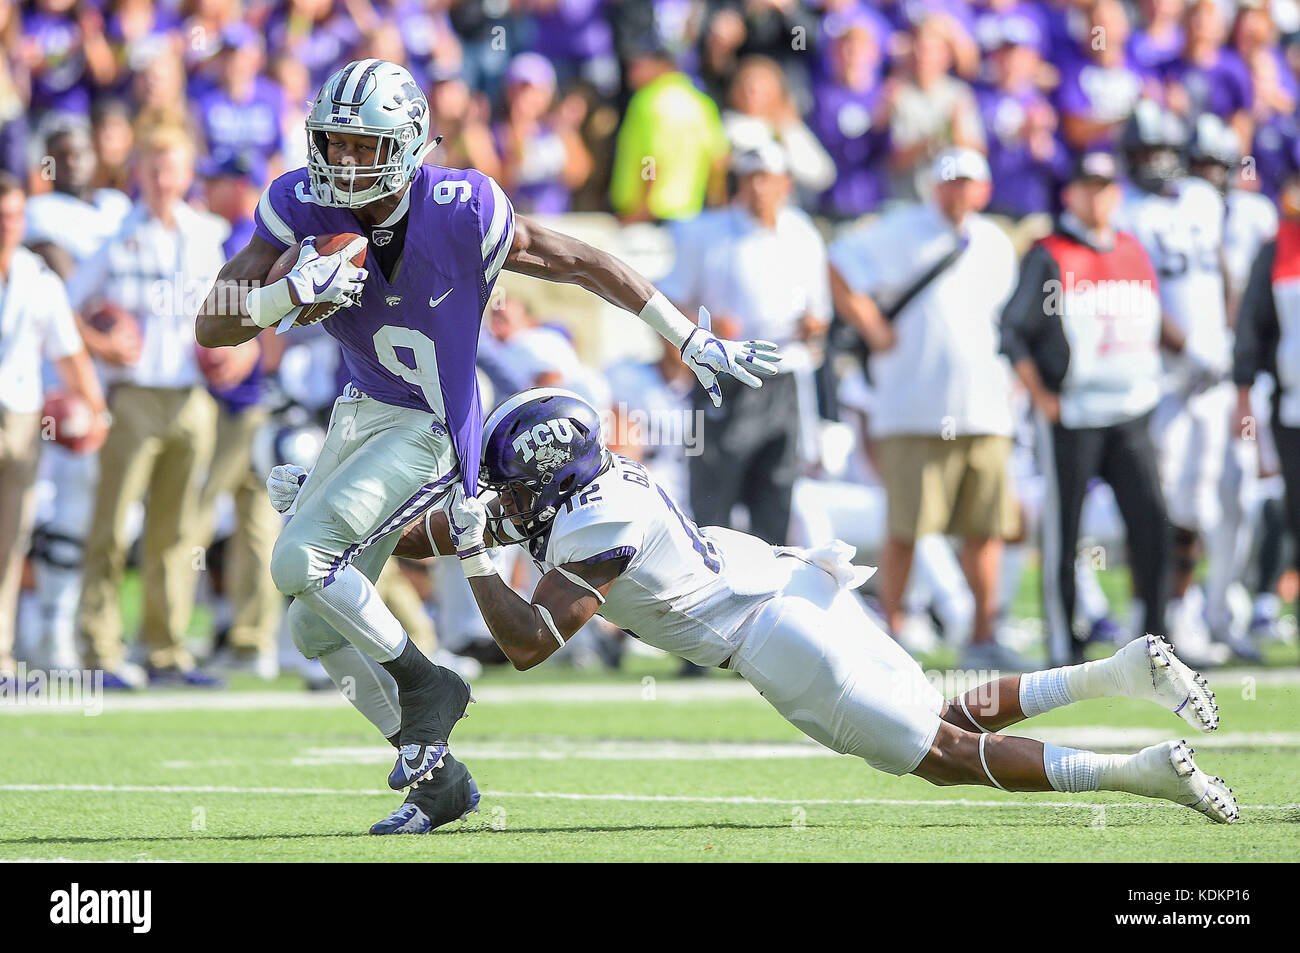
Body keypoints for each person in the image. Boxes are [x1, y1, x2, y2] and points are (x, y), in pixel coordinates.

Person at [196, 58, 781, 813]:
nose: (343, 162)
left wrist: (687, 334)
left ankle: (427, 681)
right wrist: (282, 294)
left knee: (296, 558)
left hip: (433, 424)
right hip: (360, 411)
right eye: (334, 143)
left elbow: (582, 261)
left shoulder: (460, 207)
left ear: (409, 145)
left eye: (362, 146)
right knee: (315, 623)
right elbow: (213, 320)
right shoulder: (299, 205)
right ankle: (437, 778)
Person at [268, 388, 1237, 832]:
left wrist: (479, 548)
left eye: (511, 490)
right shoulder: (574, 498)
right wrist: (334, 518)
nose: (504, 503)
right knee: (942, 713)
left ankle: (1138, 770)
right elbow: (439, 533)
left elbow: (524, 644)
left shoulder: (589, 522)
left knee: (942, 761)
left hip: (769, 633)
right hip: (784, 585)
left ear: (544, 479)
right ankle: (1122, 671)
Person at [830, 148, 1021, 670]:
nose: (958, 192)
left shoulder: (996, 243)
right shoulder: (900, 229)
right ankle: (890, 633)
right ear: (934, 187)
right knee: (906, 529)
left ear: (982, 190)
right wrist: (872, 326)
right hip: (913, 406)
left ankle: (982, 634)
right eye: (950, 182)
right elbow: (839, 264)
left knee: (985, 528)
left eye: (968, 183)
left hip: (983, 407)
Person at [71, 125, 229, 689]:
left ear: (188, 175)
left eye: (172, 169)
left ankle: (164, 648)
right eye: (154, 169)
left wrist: (236, 358)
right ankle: (100, 648)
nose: (163, 180)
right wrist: (102, 343)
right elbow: (65, 310)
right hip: (133, 394)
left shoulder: (208, 234)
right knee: (113, 527)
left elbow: (234, 311)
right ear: (139, 173)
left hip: (191, 395)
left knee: (178, 533)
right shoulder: (115, 236)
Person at [1000, 151, 1171, 666]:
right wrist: (1041, 396)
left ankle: (1156, 638)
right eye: (1086, 186)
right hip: (1072, 417)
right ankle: (1064, 643)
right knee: (1065, 531)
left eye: (1105, 186)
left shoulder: (1133, 249)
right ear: (1070, 193)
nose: (1096, 196)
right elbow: (1012, 331)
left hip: (1132, 411)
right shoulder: (1048, 254)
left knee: (1153, 524)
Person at [1113, 101, 1235, 666]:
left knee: (1197, 499)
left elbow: (1221, 270)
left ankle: (1179, 614)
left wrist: (1224, 337)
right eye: (1143, 152)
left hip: (1211, 376)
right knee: (1155, 501)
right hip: (1162, 376)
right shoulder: (1128, 213)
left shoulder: (1205, 201)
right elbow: (1139, 289)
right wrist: (1187, 348)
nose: (1154, 162)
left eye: (1161, 150)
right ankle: (1146, 614)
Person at [662, 141, 830, 547]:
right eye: (752, 178)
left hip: (782, 377)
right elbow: (670, 306)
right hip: (723, 379)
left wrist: (811, 326)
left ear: (784, 184)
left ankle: (766, 598)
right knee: (713, 502)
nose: (758, 188)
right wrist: (706, 327)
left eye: (767, 179)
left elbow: (819, 318)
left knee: (775, 498)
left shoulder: (803, 234)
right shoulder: (705, 233)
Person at [0, 173, 107, 683]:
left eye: (14, 216)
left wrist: (94, 405)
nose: (7, 226)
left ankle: (1, 653)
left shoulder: (36, 277)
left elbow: (69, 351)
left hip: (20, 417)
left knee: (12, 536)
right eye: (1, 217)